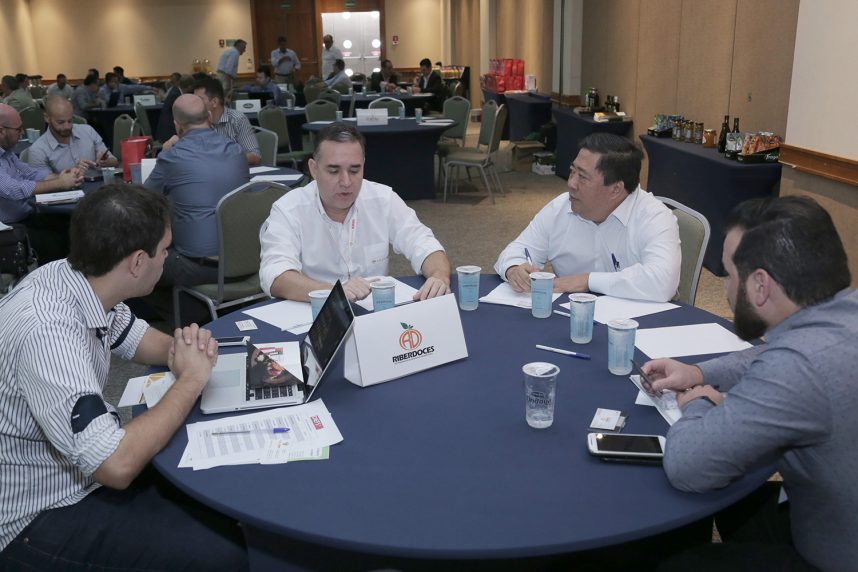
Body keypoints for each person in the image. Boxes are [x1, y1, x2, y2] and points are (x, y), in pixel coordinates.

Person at [0, 184, 248, 570]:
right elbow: (115, 465)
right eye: (164, 250)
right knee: (226, 555)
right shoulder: (48, 333)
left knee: (217, 492)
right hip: (38, 514)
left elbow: (135, 337)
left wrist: (185, 350)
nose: (167, 258)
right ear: (137, 262)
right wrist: (190, 380)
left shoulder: (78, 278)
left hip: (80, 473)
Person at [645, 196, 858, 572]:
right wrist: (698, 373)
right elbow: (771, 354)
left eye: (729, 275)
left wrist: (699, 402)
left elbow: (687, 466)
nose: (727, 290)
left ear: (760, 286)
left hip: (835, 554)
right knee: (742, 503)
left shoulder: (797, 366)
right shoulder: (841, 315)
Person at [259, 122, 450, 303]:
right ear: (314, 169)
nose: (346, 182)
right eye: (334, 171)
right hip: (314, 311)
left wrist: (439, 276)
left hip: (375, 311)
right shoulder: (288, 209)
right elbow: (275, 274)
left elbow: (423, 243)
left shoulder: (383, 199)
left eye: (354, 170)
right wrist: (334, 292)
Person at [494, 133, 680, 302]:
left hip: (636, 321)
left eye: (582, 177)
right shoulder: (561, 207)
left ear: (615, 189)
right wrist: (514, 268)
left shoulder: (654, 217)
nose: (571, 183)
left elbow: (663, 281)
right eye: (572, 171)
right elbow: (518, 250)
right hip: (570, 318)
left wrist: (587, 281)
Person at [145, 94, 249, 287]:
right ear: (209, 116)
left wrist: (165, 151)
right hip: (244, 261)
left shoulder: (172, 157)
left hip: (200, 268)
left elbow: (143, 199)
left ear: (177, 126)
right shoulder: (236, 151)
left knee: (139, 261)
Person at [0, 103, 82, 262]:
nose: (22, 133)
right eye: (18, 129)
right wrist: (60, 183)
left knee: (73, 224)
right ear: (1, 130)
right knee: (55, 240)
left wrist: (61, 176)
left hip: (26, 216)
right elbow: (13, 189)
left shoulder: (6, 153)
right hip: (8, 228)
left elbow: (30, 173)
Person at [181, 77, 261, 166]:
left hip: (234, 170)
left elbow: (255, 156)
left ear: (214, 102)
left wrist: (224, 155)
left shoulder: (237, 119)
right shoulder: (196, 122)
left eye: (199, 99)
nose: (195, 104)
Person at [27, 95, 119, 173]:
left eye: (70, 121)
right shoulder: (38, 150)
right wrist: (72, 173)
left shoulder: (88, 131)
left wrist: (105, 161)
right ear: (47, 118)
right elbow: (43, 183)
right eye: (60, 122)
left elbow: (115, 162)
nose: (67, 126)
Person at [156, 73, 194, 143]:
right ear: (190, 87)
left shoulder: (175, 90)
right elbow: (184, 115)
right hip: (169, 134)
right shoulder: (176, 96)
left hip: (167, 131)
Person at [216, 38, 247, 103]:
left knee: (221, 95)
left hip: (222, 75)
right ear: (239, 46)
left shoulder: (230, 51)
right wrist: (232, 80)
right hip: (225, 77)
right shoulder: (235, 53)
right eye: (244, 48)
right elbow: (229, 69)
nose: (244, 50)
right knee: (225, 96)